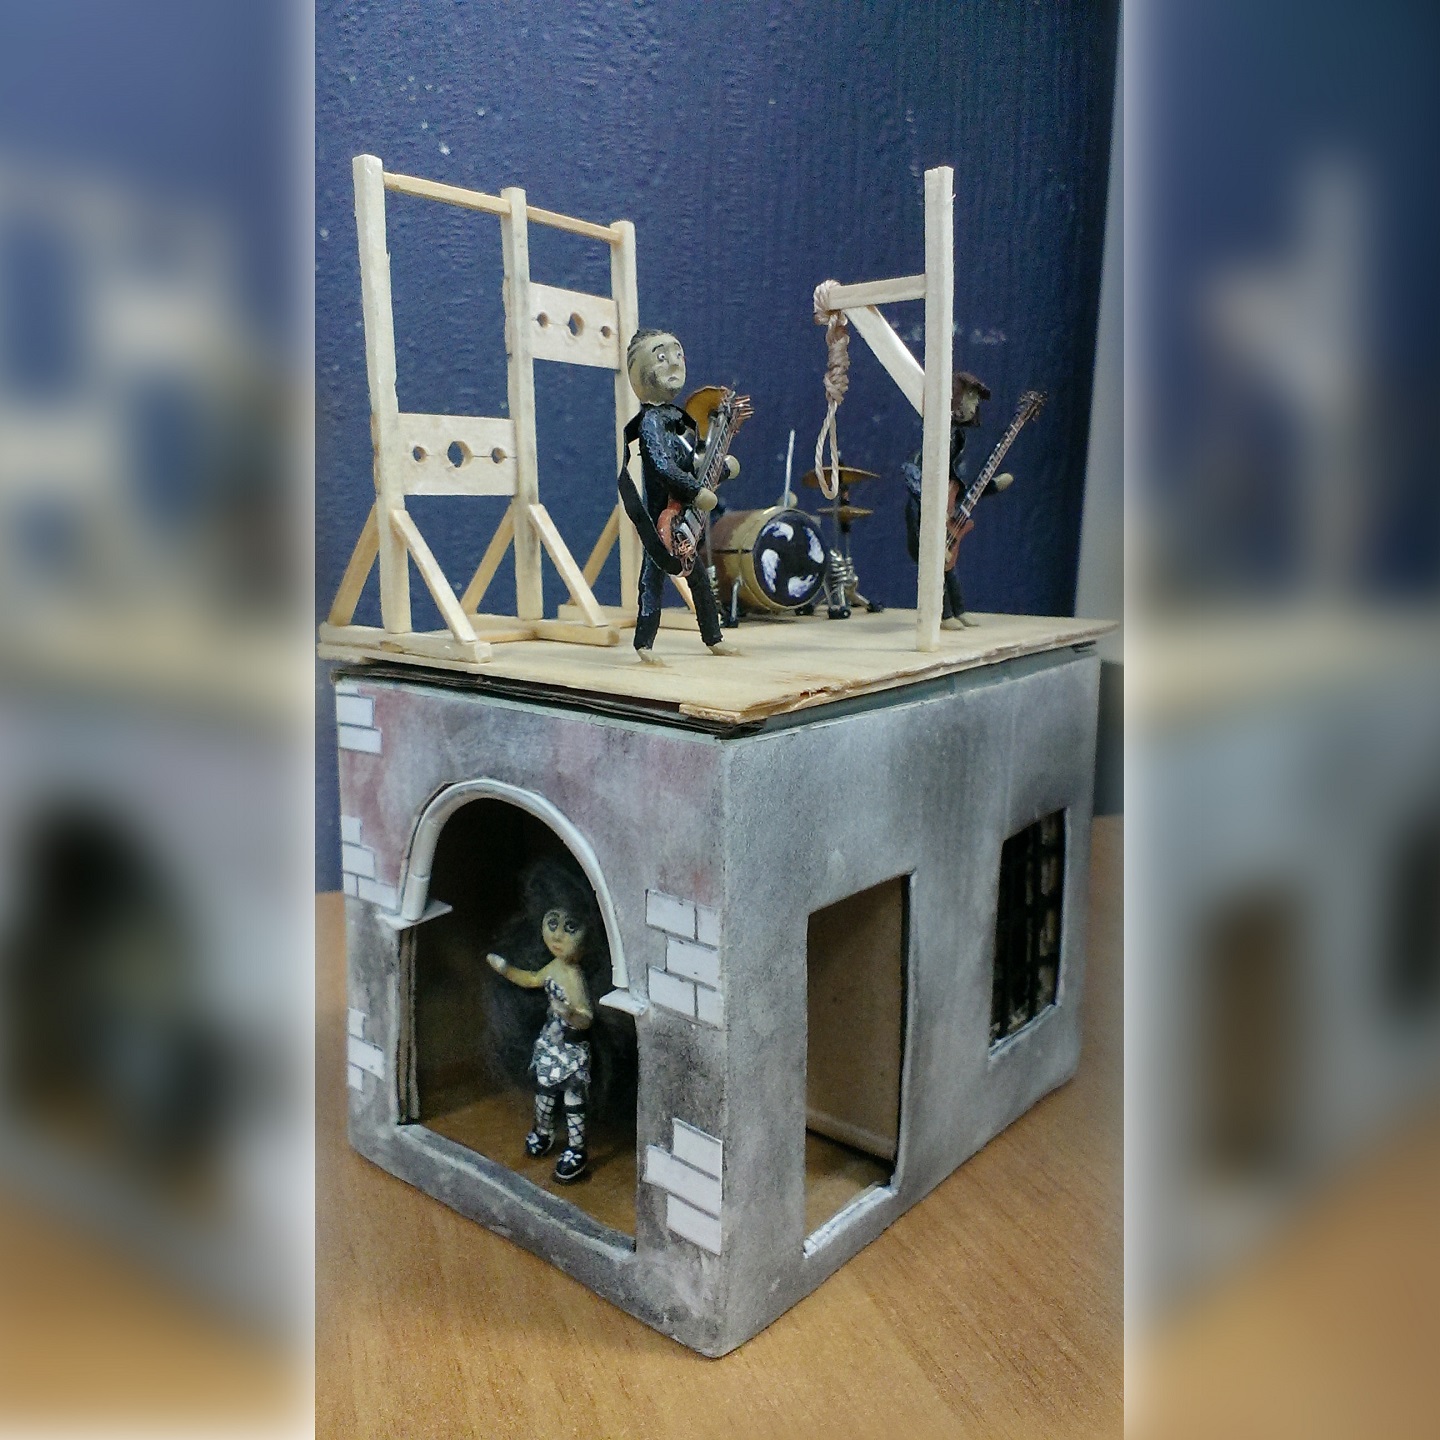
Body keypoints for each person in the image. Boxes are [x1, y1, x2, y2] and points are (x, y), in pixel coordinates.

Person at [621, 328, 739, 664]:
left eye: (677, 354)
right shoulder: (650, 423)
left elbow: (694, 463)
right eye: (661, 357)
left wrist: (722, 468)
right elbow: (663, 467)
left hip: (682, 522)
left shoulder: (680, 420)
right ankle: (644, 644)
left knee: (698, 580)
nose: (673, 363)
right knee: (652, 580)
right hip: (661, 520)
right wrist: (696, 491)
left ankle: (713, 638)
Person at [486, 865, 599, 1183]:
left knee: (574, 1100)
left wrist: (569, 1013)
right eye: (552, 924)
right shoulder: (554, 967)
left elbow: (586, 1017)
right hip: (551, 1043)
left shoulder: (574, 978)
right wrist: (506, 969)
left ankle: (577, 1149)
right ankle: (544, 1131)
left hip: (571, 1046)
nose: (558, 936)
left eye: (570, 927)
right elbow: (533, 979)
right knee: (544, 1092)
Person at [903, 371, 1014, 629]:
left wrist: (990, 487)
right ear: (954, 397)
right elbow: (910, 469)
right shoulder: (936, 435)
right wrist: (931, 505)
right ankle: (942, 615)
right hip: (923, 513)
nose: (974, 405)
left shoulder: (957, 437)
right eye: (970, 397)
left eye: (975, 400)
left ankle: (958, 610)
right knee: (935, 565)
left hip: (944, 509)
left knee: (950, 565)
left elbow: (959, 488)